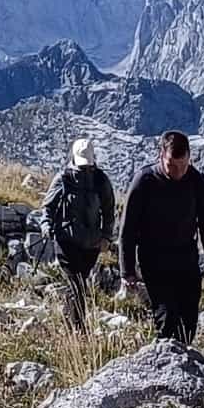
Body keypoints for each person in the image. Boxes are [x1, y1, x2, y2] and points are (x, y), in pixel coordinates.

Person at [119, 131, 204, 344]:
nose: (178, 172)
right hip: (154, 261)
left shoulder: (197, 181)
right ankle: (163, 357)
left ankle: (182, 359)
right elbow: (128, 229)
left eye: (183, 165)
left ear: (189, 157)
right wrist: (127, 271)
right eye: (171, 166)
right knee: (167, 317)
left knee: (189, 321)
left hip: (186, 259)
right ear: (161, 156)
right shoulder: (144, 181)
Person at [42, 138, 115, 333]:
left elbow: (109, 211)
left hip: (91, 246)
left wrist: (106, 237)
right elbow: (48, 207)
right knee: (78, 283)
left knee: (78, 282)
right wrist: (46, 226)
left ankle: (69, 320)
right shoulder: (63, 179)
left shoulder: (101, 181)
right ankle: (79, 329)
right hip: (66, 242)